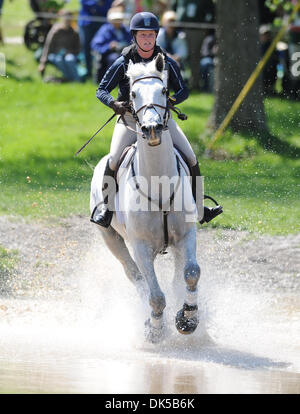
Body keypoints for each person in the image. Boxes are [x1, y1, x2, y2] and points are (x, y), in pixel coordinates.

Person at [91, 11, 222, 228]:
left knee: (190, 157)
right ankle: (106, 208)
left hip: (162, 120)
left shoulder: (167, 61)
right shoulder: (123, 61)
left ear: (156, 35)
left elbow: (184, 91)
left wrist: (170, 100)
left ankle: (199, 208)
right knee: (114, 159)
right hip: (131, 121)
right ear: (134, 36)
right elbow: (101, 89)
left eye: (151, 35)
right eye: (142, 35)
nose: (147, 39)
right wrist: (114, 104)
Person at [38, 10, 82, 82]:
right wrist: (42, 62)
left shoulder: (74, 32)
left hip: (69, 54)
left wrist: (69, 52)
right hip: (55, 54)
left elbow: (77, 49)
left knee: (69, 59)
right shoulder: (56, 30)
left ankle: (77, 80)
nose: (67, 21)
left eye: (69, 19)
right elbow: (47, 46)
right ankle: (71, 79)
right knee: (58, 60)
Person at [91, 7, 132, 83]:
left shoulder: (126, 30)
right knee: (114, 59)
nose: (118, 21)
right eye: (116, 19)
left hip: (125, 53)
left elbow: (132, 42)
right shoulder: (105, 30)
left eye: (119, 19)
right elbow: (95, 46)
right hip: (109, 55)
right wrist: (109, 46)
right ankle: (112, 82)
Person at [78, 0, 114, 79]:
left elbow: (109, 4)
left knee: (101, 48)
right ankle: (88, 72)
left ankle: (100, 75)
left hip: (102, 21)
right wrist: (97, 2)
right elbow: (84, 2)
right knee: (86, 49)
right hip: (87, 23)